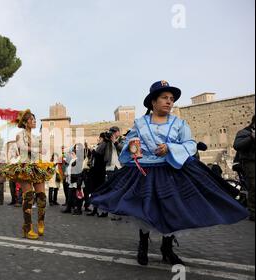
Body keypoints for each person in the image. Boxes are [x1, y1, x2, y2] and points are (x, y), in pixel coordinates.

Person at [91, 80, 248, 266]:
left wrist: (171, 148)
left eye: (171, 99)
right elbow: (130, 143)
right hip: (145, 171)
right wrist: (133, 147)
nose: (169, 102)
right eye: (164, 98)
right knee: (145, 207)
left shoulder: (179, 123)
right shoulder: (140, 124)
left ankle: (167, 248)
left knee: (170, 208)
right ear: (153, 102)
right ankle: (143, 246)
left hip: (172, 171)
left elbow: (189, 144)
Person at [0, 108, 55, 239]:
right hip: (25, 166)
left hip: (37, 166)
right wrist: (37, 149)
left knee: (42, 196)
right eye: (32, 119)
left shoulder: (36, 136)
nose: (34, 121)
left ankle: (41, 221)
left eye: (34, 119)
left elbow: (43, 149)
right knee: (29, 197)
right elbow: (22, 147)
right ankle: (28, 227)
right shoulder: (20, 134)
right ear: (26, 122)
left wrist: (43, 149)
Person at [233, 115, 255, 221]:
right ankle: (253, 213)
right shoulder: (244, 132)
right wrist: (251, 138)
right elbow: (237, 145)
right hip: (249, 162)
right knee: (254, 186)